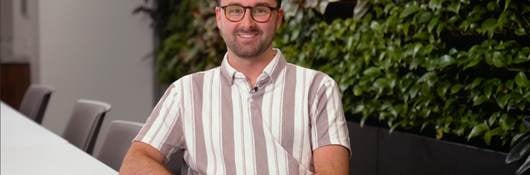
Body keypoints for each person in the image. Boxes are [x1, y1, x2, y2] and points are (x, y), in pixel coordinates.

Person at [120, 0, 350, 174]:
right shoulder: (186, 91)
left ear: (279, 18)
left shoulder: (318, 88)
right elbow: (135, 161)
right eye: (235, 10)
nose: (247, 23)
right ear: (219, 17)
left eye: (260, 10)